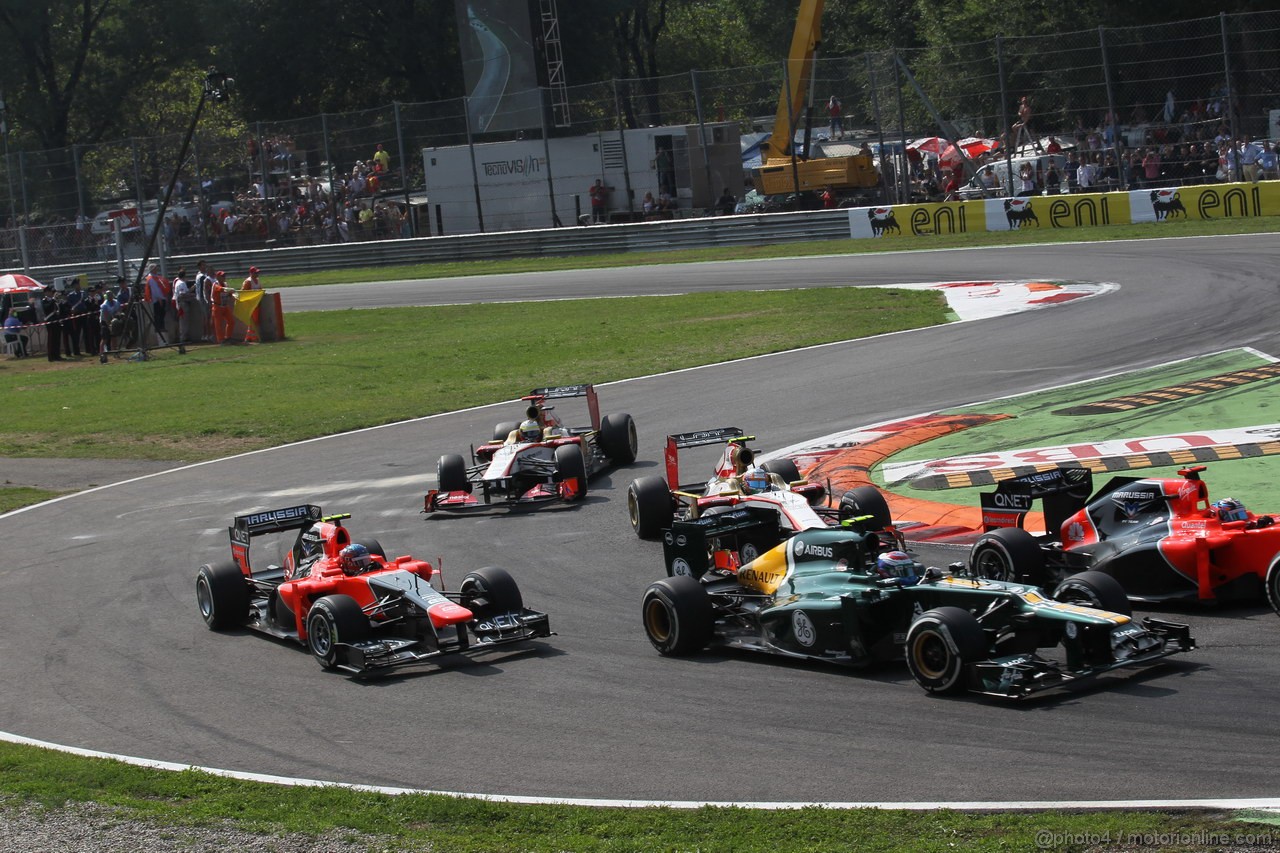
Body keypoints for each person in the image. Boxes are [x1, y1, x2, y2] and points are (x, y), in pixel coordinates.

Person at [144, 264, 170, 345]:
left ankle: (163, 338)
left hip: (161, 299)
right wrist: (159, 298)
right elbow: (155, 291)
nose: (157, 269)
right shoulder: (151, 279)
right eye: (155, 268)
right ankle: (161, 340)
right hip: (158, 301)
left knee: (161, 318)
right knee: (159, 318)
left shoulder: (156, 277)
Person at [210, 269, 236, 343]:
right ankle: (221, 340)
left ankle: (228, 337)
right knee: (218, 324)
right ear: (217, 277)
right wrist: (229, 289)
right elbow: (220, 289)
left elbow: (229, 294)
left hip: (225, 306)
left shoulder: (225, 284)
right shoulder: (215, 284)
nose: (224, 277)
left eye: (224, 276)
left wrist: (233, 294)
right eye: (222, 276)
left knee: (231, 321)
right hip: (217, 306)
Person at [172, 267, 196, 343]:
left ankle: (184, 337)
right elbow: (182, 295)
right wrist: (191, 295)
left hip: (181, 303)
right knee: (183, 321)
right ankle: (183, 338)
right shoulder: (181, 283)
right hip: (182, 303)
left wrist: (190, 291)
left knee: (183, 321)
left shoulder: (179, 282)